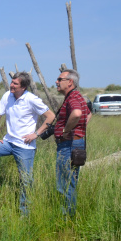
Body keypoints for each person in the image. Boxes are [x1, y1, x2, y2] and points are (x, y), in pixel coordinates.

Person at [0, 72, 55, 215]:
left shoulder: (31, 99)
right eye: (12, 82)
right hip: (8, 141)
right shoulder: (7, 96)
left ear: (23, 87)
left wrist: (36, 134)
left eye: (15, 84)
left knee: (26, 180)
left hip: (25, 147)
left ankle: (24, 213)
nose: (12, 85)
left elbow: (51, 116)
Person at [54, 69, 90, 216]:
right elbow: (88, 113)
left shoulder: (72, 98)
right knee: (71, 182)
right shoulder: (77, 96)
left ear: (70, 82)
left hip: (68, 146)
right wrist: (80, 130)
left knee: (65, 184)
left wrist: (66, 131)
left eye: (59, 79)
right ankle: (70, 216)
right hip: (76, 144)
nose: (56, 82)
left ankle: (65, 218)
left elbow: (77, 113)